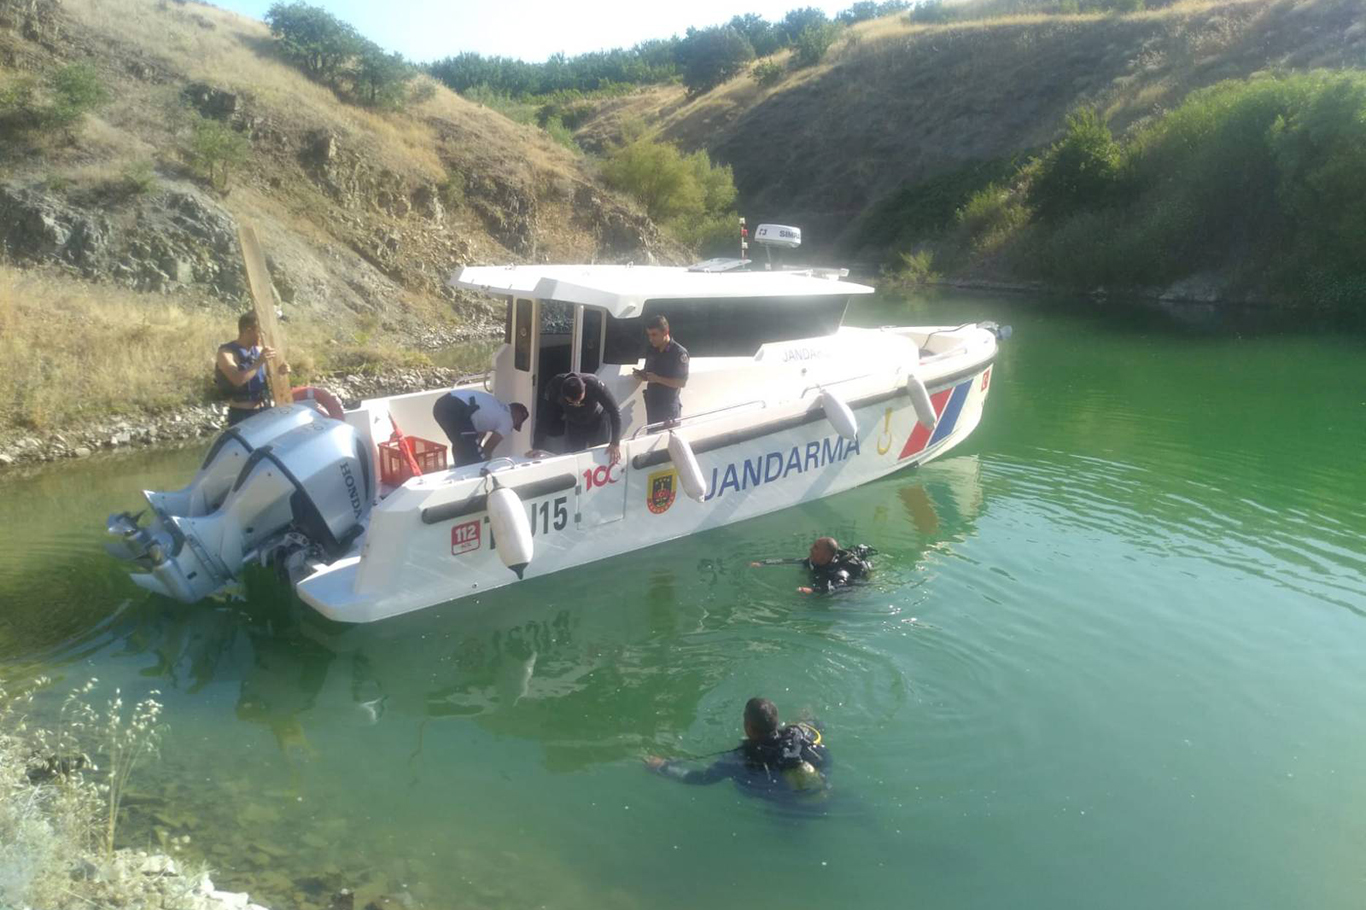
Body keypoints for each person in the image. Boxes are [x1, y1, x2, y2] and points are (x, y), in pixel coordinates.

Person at [644, 697, 829, 797]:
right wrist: (806, 717)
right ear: (777, 721)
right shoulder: (801, 733)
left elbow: (701, 778)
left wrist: (662, 767)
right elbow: (816, 724)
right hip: (818, 788)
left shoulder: (737, 759)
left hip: (783, 803)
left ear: (748, 726)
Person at [216, 312, 287, 426]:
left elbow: (268, 374)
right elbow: (238, 380)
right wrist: (259, 361)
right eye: (260, 332)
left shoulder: (258, 350)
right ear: (248, 331)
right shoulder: (226, 353)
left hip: (263, 410)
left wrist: (281, 370)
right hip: (242, 414)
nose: (263, 336)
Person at [535, 372, 622, 465]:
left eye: (580, 400)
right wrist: (537, 446)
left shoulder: (594, 384)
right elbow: (544, 416)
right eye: (573, 402)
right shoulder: (555, 386)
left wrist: (615, 442)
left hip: (598, 420)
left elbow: (615, 411)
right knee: (571, 457)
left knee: (600, 457)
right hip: (574, 422)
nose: (577, 404)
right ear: (564, 395)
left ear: (584, 387)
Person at [432, 389, 528, 467]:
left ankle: (459, 471)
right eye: (516, 424)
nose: (511, 428)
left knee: (462, 445)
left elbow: (478, 437)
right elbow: (489, 447)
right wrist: (487, 465)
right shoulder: (508, 420)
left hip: (442, 404)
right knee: (474, 459)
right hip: (457, 408)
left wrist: (477, 449)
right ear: (517, 416)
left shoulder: (495, 408)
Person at [750, 536, 876, 594]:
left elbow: (839, 586)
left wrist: (813, 590)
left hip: (855, 584)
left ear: (825, 555)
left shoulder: (840, 572)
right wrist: (762, 563)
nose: (811, 548)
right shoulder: (814, 560)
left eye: (816, 547)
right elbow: (792, 560)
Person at [632, 314, 689, 427]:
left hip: (668, 408)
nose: (651, 338)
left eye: (654, 334)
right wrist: (642, 374)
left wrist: (658, 379)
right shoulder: (652, 349)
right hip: (653, 405)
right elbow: (650, 371)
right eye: (649, 335)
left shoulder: (678, 353)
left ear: (665, 331)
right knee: (652, 437)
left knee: (667, 440)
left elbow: (681, 382)